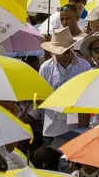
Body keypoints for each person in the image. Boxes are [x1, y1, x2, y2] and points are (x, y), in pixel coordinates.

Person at [38, 27, 91, 171]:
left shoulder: (84, 66)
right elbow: (42, 95)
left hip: (75, 126)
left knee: (72, 166)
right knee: (51, 165)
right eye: (58, 52)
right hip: (52, 126)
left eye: (66, 51)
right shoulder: (45, 68)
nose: (62, 55)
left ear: (72, 48)